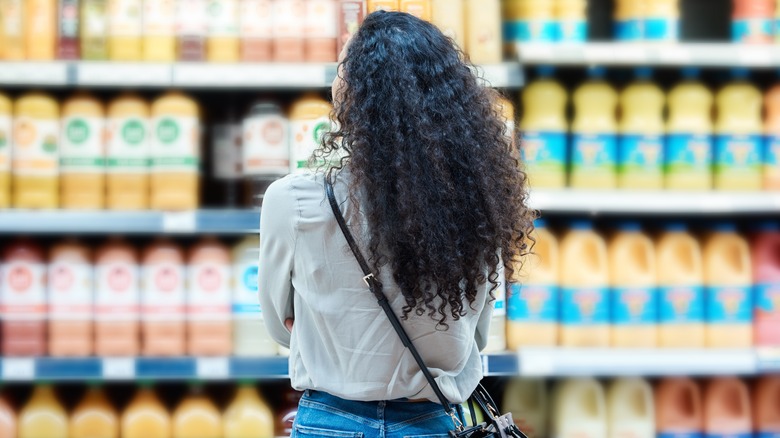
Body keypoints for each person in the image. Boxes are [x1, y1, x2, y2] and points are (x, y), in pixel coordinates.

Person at [259, 10, 534, 438]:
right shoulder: (478, 205)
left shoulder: (293, 201)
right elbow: (476, 340)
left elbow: (280, 327)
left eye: (341, 69)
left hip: (329, 423)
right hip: (431, 422)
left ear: (354, 94)